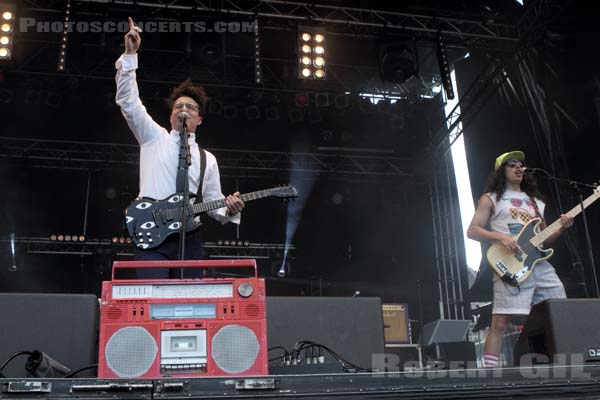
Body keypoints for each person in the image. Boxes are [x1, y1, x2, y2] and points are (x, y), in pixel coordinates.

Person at [115, 17, 244, 277]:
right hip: (154, 236)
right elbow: (129, 103)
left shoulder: (208, 159)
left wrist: (229, 209)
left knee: (187, 307)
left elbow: (214, 205)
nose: (183, 109)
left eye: (190, 107)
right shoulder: (155, 138)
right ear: (171, 115)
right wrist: (130, 55)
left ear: (199, 119)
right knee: (153, 301)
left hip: (190, 240)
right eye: (178, 106)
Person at [467, 151, 574, 367]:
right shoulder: (490, 198)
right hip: (509, 262)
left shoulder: (536, 203)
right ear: (501, 171)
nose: (518, 168)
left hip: (538, 263)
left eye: (521, 164)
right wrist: (500, 237)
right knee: (500, 321)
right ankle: (490, 373)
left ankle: (565, 364)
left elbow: (547, 237)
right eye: (512, 164)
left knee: (559, 309)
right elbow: (472, 231)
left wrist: (562, 227)